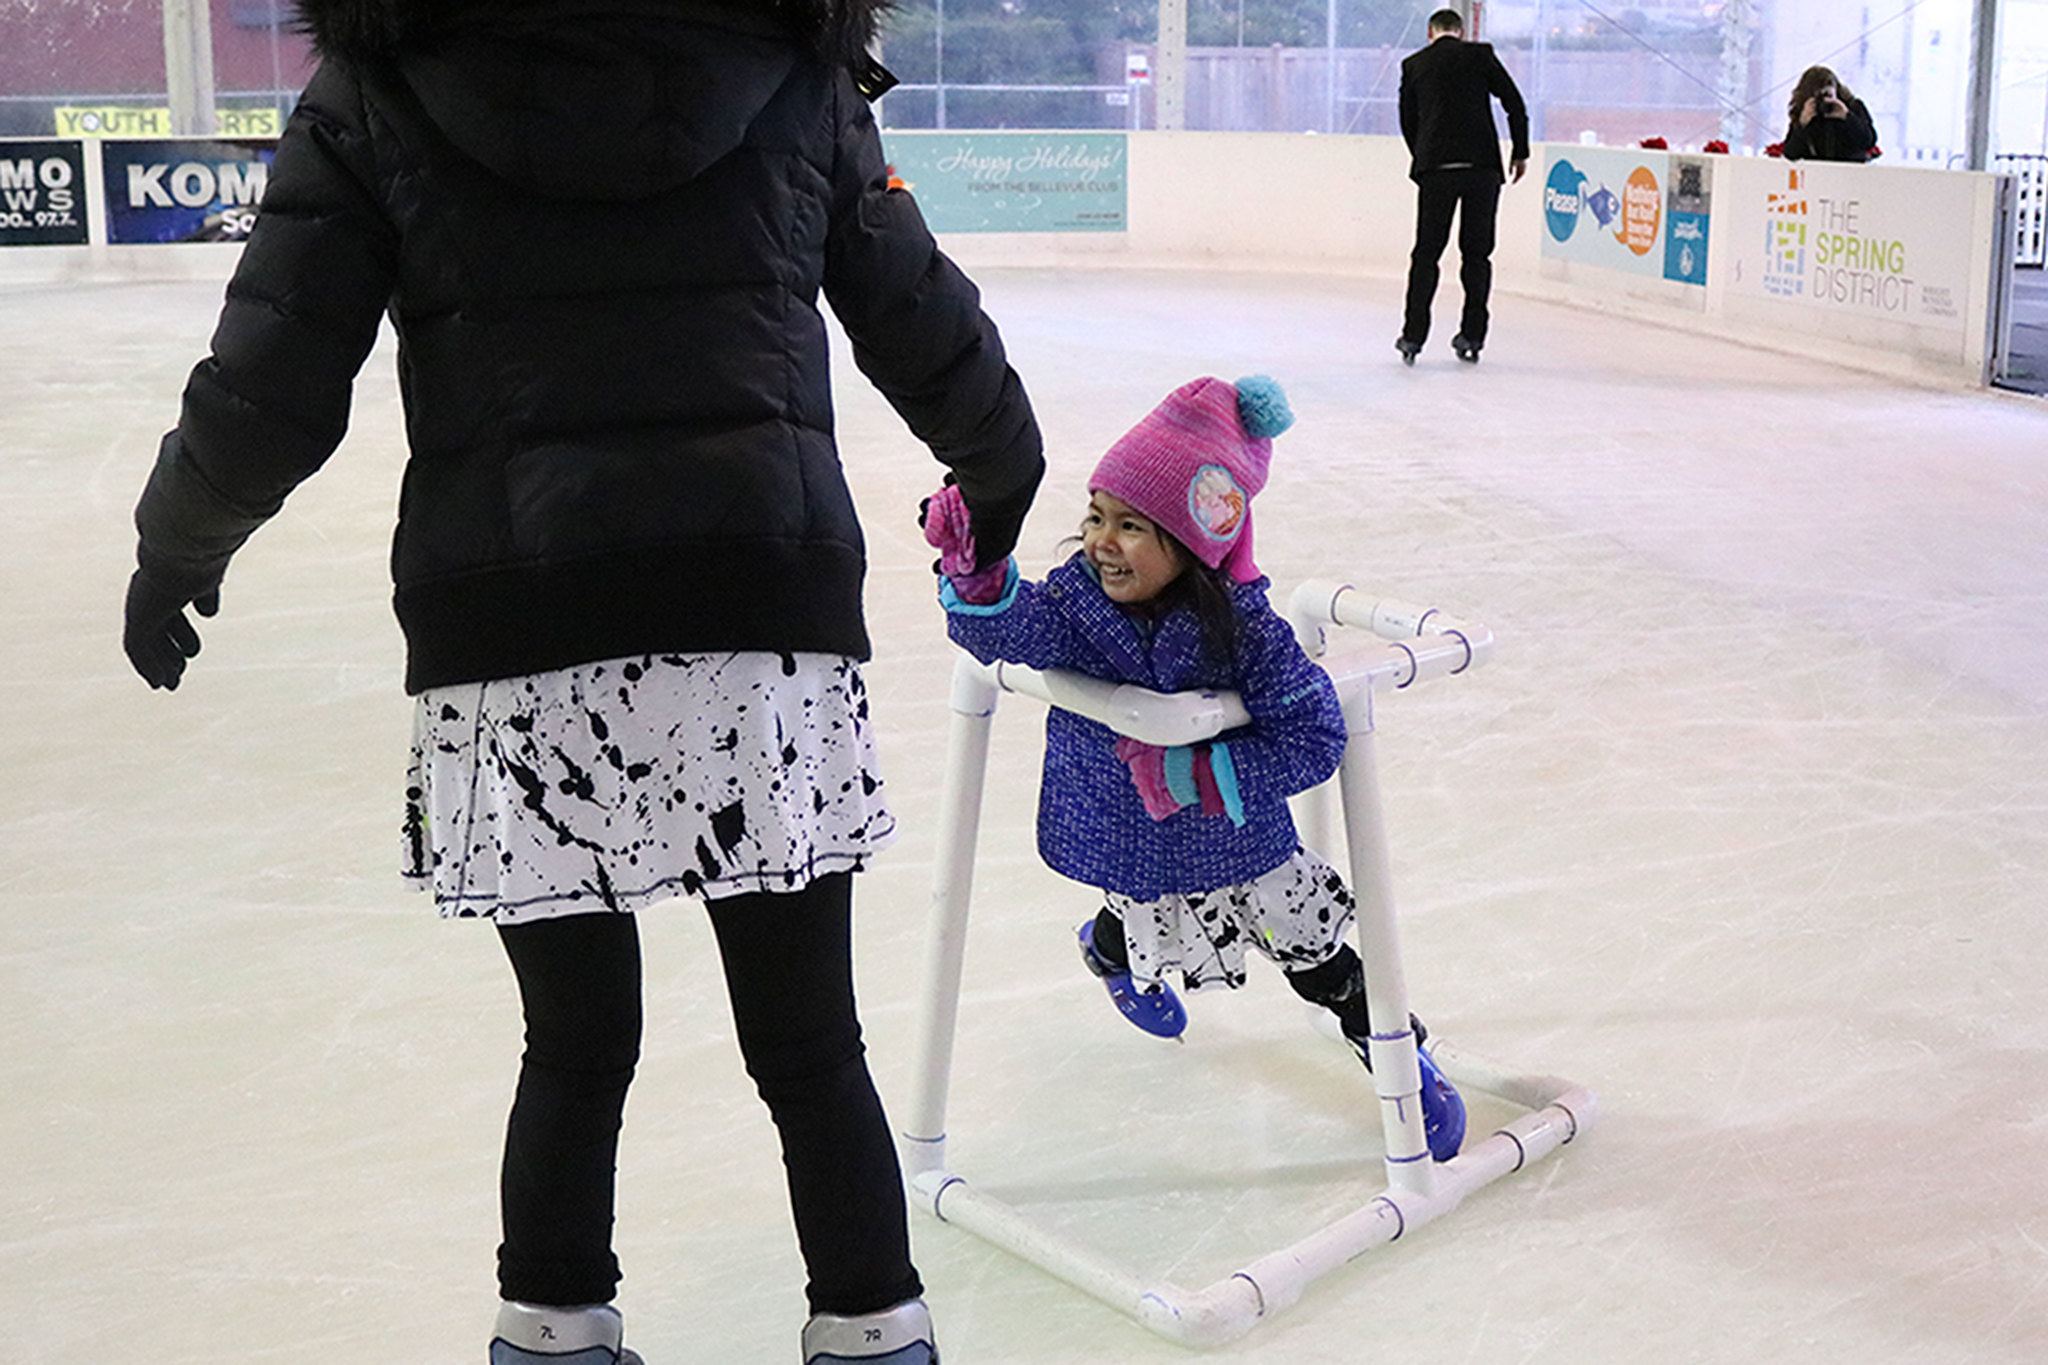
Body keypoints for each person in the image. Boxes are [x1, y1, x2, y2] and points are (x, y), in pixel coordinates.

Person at [117, 1, 1043, 1361]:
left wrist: (176, 541)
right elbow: (909, 299)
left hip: (518, 625)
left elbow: (274, 372)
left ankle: (552, 1329)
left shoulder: (380, 79)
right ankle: (873, 1329)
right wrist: (998, 457)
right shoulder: (790, 61)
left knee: (576, 1037)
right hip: (758, 611)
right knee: (806, 1039)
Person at [920, 376, 1466, 1163]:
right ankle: (1106, 952)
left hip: (1238, 842)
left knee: (1319, 960)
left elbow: (1312, 732)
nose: (1104, 540)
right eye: (1097, 516)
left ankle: (1396, 1056)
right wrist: (976, 574)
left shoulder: (1243, 628)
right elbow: (1014, 631)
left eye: (1133, 525)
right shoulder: (1078, 601)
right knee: (1133, 918)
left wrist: (1195, 774)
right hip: (1123, 830)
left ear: (1192, 542)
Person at [1396, 7, 1530, 367]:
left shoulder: (1415, 64)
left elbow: (1408, 120)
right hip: (1482, 169)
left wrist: (1423, 154)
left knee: (1427, 254)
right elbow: (1514, 103)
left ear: (1430, 32)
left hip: (1436, 169)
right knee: (1477, 254)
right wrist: (1520, 151)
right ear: (1462, 31)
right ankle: (1472, 335)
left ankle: (1413, 336)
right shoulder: (1481, 55)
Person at [1782, 66, 1880, 163]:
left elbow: (1868, 140)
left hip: (1850, 170)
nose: (1825, 101)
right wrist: (1802, 124)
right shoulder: (1803, 113)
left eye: (1828, 95)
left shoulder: (1853, 106)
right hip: (1816, 171)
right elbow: (1790, 153)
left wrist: (1847, 117)